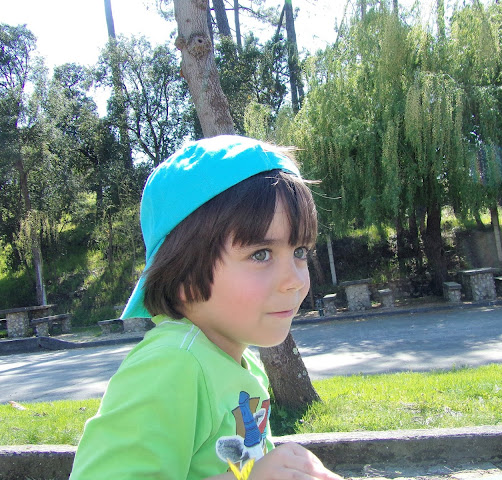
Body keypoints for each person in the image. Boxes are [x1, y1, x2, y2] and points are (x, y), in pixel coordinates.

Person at [69, 135, 342, 480]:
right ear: (182, 274)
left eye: (299, 252)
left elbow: (241, 469)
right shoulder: (173, 365)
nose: (294, 281)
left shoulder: (238, 364)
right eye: (261, 254)